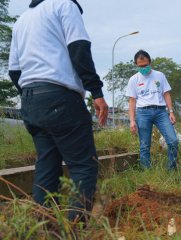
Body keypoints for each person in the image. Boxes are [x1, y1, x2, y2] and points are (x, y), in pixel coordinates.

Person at [8, 0, 108, 221]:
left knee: (47, 167)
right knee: (83, 167)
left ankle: (43, 228)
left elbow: (14, 71)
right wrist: (96, 91)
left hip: (31, 101)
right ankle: (75, 230)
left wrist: (33, 94)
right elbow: (79, 47)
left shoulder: (22, 20)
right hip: (61, 98)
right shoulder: (64, 5)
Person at [125, 50, 178, 170]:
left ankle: (172, 169)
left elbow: (166, 94)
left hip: (161, 112)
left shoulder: (160, 75)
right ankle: (146, 172)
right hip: (143, 113)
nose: (144, 68)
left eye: (146, 65)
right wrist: (132, 120)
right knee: (144, 145)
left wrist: (171, 112)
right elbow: (132, 101)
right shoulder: (134, 79)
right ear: (136, 65)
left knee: (173, 141)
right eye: (140, 66)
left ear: (150, 62)